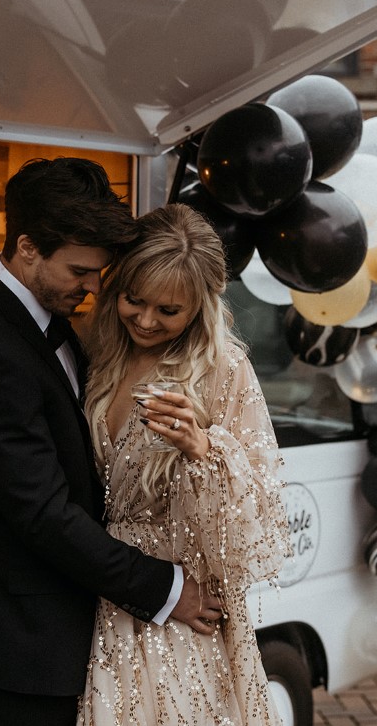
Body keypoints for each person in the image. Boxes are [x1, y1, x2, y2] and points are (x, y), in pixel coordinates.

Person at [0, 158, 221, 726]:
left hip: (79, 625)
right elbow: (43, 515)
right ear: (28, 247)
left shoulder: (47, 318)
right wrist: (166, 590)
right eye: (81, 271)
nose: (94, 287)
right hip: (32, 636)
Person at [77, 203, 292, 724]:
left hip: (181, 607)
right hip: (89, 586)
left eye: (168, 311)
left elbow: (258, 520)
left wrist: (205, 451)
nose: (146, 321)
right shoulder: (93, 346)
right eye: (135, 300)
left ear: (200, 306)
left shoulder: (224, 367)